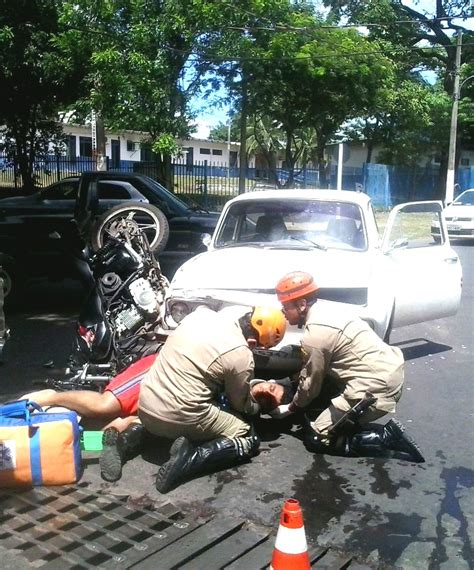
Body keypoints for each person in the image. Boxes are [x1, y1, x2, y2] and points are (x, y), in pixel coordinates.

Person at [272, 271, 424, 463]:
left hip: (375, 389)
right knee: (322, 404)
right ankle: (345, 418)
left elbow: (310, 385)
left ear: (301, 305)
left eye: (285, 306)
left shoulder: (316, 334)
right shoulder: (330, 311)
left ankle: (386, 436)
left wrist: (289, 409)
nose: (282, 312)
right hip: (387, 372)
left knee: (317, 438)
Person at [138, 305, 287, 493]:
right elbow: (239, 405)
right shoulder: (241, 353)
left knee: (172, 412)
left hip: (143, 408)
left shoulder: (200, 315)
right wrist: (257, 409)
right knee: (247, 435)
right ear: (252, 341)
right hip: (176, 415)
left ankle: (127, 439)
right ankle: (187, 460)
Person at [22, 353, 158, 482]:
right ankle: (51, 397)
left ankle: (67, 427)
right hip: (163, 371)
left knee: (116, 428)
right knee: (104, 406)